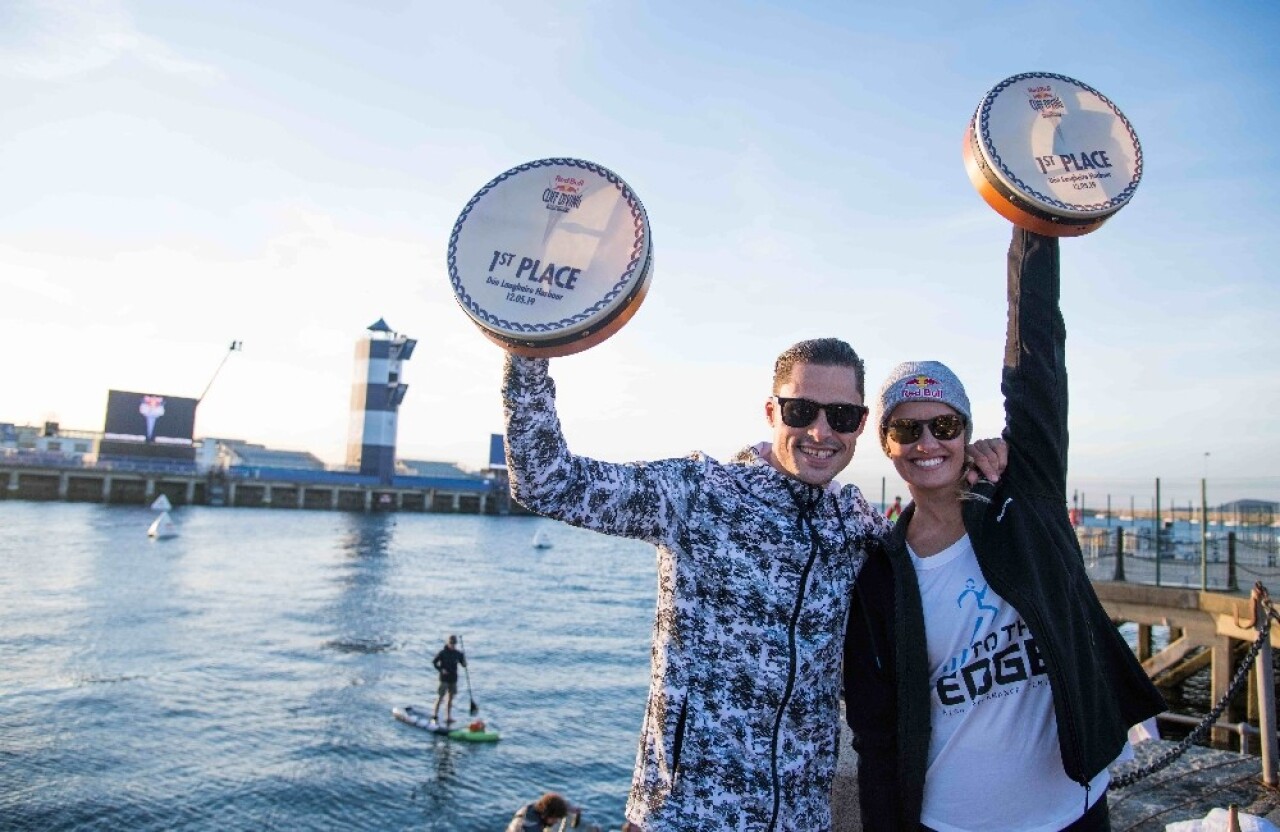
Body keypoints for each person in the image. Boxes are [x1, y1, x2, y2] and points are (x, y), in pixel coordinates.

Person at [502, 339, 1006, 832]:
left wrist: (981, 469)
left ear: (861, 427)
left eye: (842, 417)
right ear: (772, 411)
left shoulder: (852, 522)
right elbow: (548, 482)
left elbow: (932, 545)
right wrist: (529, 346)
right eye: (801, 410)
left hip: (802, 819)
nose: (820, 431)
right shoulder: (697, 494)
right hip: (684, 816)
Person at [842, 228, 1166, 831]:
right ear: (886, 445)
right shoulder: (880, 573)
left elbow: (1036, 363)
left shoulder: (1025, 500)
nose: (928, 443)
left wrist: (1033, 219)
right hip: (951, 820)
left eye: (943, 423)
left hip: (1073, 808)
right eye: (907, 430)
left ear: (967, 429)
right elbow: (876, 729)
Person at [430, 634, 466, 725]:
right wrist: (441, 669)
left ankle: (448, 717)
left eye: (454, 644)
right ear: (448, 643)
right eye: (451, 643)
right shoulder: (442, 652)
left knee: (450, 698)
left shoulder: (458, 654)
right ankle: (434, 716)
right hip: (443, 679)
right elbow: (434, 662)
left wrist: (464, 659)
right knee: (440, 697)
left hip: (453, 679)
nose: (453, 645)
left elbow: (464, 665)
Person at [506, 792, 573, 832]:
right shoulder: (533, 828)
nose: (556, 821)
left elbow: (550, 803)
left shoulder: (529, 808)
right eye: (554, 818)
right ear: (547, 814)